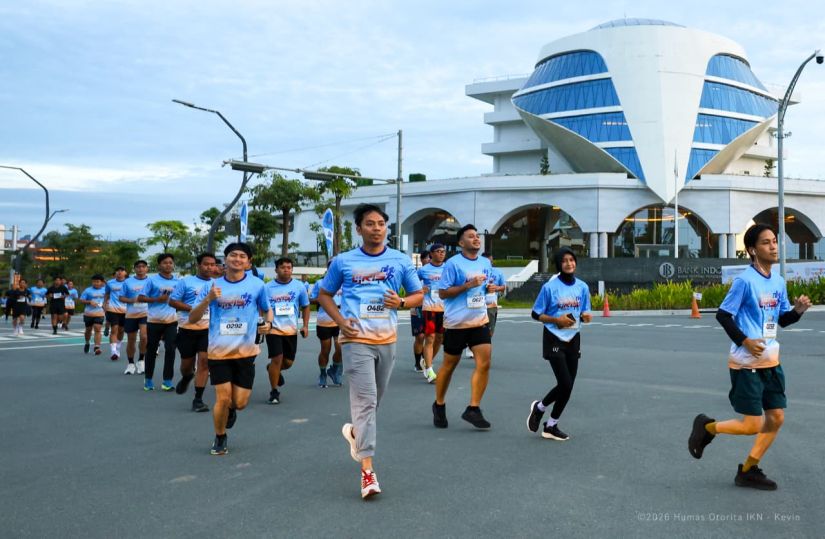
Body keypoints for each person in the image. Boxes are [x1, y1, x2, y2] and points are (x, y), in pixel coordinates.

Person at [689, 224, 811, 490]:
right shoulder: (744, 281)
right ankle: (707, 428)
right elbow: (724, 315)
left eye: (775, 241)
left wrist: (798, 311)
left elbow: (782, 319)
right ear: (753, 250)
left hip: (771, 362)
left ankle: (747, 470)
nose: (774, 246)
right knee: (753, 425)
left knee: (776, 418)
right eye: (767, 242)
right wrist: (744, 341)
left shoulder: (777, 281)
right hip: (747, 364)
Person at [317, 204, 423, 499]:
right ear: (359, 229)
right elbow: (324, 294)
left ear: (386, 228)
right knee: (365, 403)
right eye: (370, 224)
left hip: (386, 340)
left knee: (373, 403)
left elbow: (418, 295)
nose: (376, 228)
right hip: (355, 341)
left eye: (381, 224)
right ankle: (367, 472)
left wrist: (401, 303)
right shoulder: (343, 261)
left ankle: (355, 433)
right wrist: (340, 322)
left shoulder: (400, 261)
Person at [189, 242, 272, 456]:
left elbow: (266, 310)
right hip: (219, 351)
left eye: (242, 256)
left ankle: (233, 411)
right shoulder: (212, 286)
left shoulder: (257, 285)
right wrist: (208, 299)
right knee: (222, 398)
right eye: (232, 255)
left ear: (248, 262)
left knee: (240, 402)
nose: (237, 259)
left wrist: (268, 323)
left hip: (246, 351)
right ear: (225, 260)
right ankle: (220, 436)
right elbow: (193, 317)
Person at [432, 224, 494, 430]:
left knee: (484, 363)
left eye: (477, 236)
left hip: (479, 320)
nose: (476, 239)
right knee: (450, 365)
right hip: (456, 323)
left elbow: (482, 289)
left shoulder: (485, 262)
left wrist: (488, 288)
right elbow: (442, 293)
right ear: (461, 243)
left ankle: (473, 408)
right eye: (470, 236)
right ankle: (439, 404)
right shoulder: (453, 264)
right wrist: (468, 285)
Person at [526, 248, 592, 441]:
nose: (569, 263)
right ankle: (539, 407)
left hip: (574, 338)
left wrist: (586, 316)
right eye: (564, 261)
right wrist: (557, 321)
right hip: (554, 337)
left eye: (572, 260)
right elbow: (536, 313)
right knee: (565, 382)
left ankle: (551, 425)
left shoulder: (582, 287)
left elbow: (585, 311)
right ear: (559, 264)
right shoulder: (549, 287)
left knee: (569, 386)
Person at [169, 252, 216, 412]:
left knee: (204, 362)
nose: (209, 267)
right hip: (187, 329)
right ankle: (187, 376)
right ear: (198, 265)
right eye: (206, 264)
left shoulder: (217, 284)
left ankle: (198, 399)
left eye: (212, 264)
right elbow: (172, 301)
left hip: (208, 330)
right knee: (186, 365)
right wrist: (194, 309)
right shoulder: (186, 282)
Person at [264, 257, 310, 404]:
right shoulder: (268, 287)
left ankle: (272, 369)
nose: (286, 270)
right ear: (276, 269)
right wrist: (262, 324)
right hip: (273, 329)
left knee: (288, 363)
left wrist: (305, 325)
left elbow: (306, 306)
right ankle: (274, 391)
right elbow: (262, 307)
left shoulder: (299, 286)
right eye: (283, 267)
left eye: (289, 267)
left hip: (290, 330)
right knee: (277, 358)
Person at [137, 253, 180, 392]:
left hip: (171, 321)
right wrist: (157, 300)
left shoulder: (178, 282)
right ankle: (148, 379)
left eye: (170, 262)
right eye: (165, 263)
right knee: (151, 350)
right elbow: (141, 298)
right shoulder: (152, 281)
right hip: (154, 321)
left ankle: (167, 380)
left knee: (171, 349)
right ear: (159, 265)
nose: (168, 265)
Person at [310, 260, 344, 388]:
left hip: (341, 320)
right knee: (326, 349)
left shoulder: (345, 283)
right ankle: (323, 373)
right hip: (324, 320)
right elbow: (311, 300)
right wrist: (323, 298)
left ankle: (334, 370)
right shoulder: (320, 283)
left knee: (340, 348)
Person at [418, 244, 447, 383]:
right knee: (430, 337)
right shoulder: (424, 270)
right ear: (431, 254)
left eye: (443, 251)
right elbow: (411, 283)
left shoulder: (449, 268)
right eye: (438, 251)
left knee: (440, 339)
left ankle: (426, 360)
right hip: (429, 308)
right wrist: (419, 289)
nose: (441, 254)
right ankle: (430, 371)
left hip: (445, 308)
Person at [120, 260, 150, 374]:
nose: (141, 269)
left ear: (147, 268)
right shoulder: (128, 282)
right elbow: (121, 297)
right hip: (131, 315)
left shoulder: (151, 281)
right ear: (135, 269)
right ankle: (131, 363)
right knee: (131, 340)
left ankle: (141, 360)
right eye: (138, 267)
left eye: (143, 267)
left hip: (146, 314)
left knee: (144, 337)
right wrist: (131, 300)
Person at [410, 250, 430, 372]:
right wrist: (420, 290)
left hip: (432, 307)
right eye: (426, 258)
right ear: (421, 260)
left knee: (431, 336)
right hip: (418, 306)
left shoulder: (438, 273)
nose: (429, 260)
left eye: (430, 258)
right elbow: (409, 290)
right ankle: (418, 362)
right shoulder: (415, 274)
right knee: (420, 336)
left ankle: (426, 359)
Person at [104, 267, 128, 360]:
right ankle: (113, 351)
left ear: (125, 273)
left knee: (121, 330)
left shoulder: (128, 283)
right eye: (118, 271)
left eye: (122, 271)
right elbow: (107, 294)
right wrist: (104, 303)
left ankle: (117, 347)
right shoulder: (110, 283)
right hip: (112, 309)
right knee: (114, 329)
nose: (119, 272)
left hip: (125, 310)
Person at [79, 275, 107, 355]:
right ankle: (87, 342)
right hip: (88, 313)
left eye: (98, 281)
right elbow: (81, 300)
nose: (96, 283)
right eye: (94, 281)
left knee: (97, 328)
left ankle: (97, 347)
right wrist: (89, 302)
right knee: (88, 330)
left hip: (100, 313)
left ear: (102, 282)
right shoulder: (88, 290)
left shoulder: (105, 290)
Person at [482, 252, 507, 338]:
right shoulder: (477, 271)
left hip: (491, 303)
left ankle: (487, 343)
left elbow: (503, 287)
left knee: (490, 328)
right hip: (477, 303)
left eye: (491, 261)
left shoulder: (498, 272)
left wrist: (495, 288)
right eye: (488, 262)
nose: (490, 263)